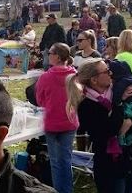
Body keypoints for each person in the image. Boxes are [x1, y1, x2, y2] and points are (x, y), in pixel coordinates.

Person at [66, 59, 132, 193]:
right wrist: (118, 104)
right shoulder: (86, 105)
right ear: (94, 80)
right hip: (109, 164)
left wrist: (130, 121)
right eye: (106, 71)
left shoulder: (119, 89)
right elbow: (108, 132)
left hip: (131, 155)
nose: (111, 73)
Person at [35, 43, 78, 193]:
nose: (48, 55)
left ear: (58, 57)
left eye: (51, 53)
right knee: (66, 160)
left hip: (53, 123)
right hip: (70, 121)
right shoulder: (75, 76)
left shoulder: (46, 77)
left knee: (56, 162)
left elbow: (40, 100)